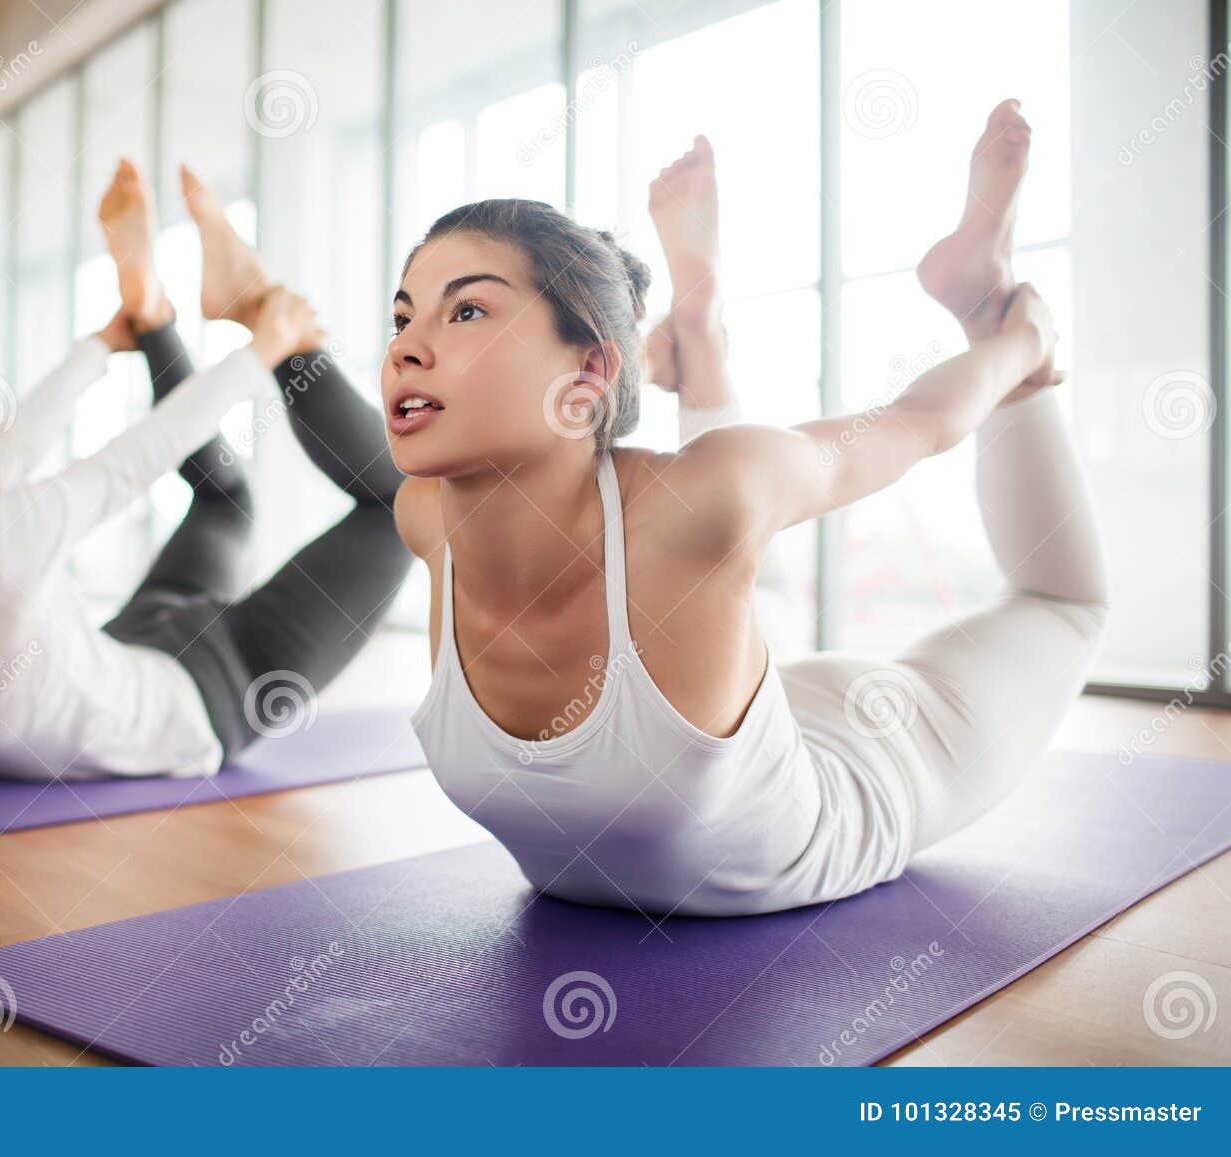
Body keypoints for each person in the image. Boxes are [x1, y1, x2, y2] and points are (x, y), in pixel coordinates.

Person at [390, 100, 1109, 916]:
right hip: (729, 705)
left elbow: (918, 424)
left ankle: (981, 301)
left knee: (1065, 606)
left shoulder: (707, 494)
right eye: (403, 315)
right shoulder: (425, 520)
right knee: (715, 559)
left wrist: (1020, 345)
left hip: (853, 768)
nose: (407, 346)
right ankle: (700, 332)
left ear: (588, 374)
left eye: (468, 310)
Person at [0, 160, 410, 780]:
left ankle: (262, 313)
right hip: (134, 645)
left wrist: (271, 347)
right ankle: (165, 313)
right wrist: (105, 342)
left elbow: (140, 455)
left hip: (223, 683)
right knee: (225, 505)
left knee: (398, 507)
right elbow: (4, 457)